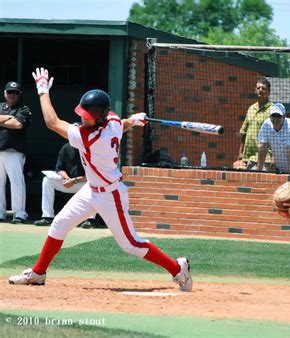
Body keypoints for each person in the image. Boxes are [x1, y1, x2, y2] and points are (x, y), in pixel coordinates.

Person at [8, 67, 192, 293]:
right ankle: (38, 273)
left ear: (97, 118)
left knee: (131, 244)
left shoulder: (89, 138)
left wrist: (42, 89)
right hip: (90, 190)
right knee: (59, 224)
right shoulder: (111, 122)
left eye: (85, 116)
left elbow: (51, 122)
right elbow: (120, 123)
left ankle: (177, 268)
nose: (81, 117)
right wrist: (133, 120)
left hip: (110, 195)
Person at [34, 142, 97, 228]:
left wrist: (74, 181)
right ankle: (47, 216)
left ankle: (90, 220)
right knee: (47, 180)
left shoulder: (90, 149)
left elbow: (93, 174)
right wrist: (66, 178)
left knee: (94, 183)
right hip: (68, 182)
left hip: (82, 184)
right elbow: (59, 168)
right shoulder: (66, 147)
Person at [0, 81, 31, 224]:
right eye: (10, 92)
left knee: (16, 183)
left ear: (19, 95)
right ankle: (1, 213)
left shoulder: (23, 109)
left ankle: (20, 213)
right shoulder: (0, 106)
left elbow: (18, 124)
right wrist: (9, 117)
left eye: (15, 93)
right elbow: (12, 121)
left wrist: (6, 119)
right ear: (5, 93)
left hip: (14, 151)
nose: (12, 95)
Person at [257, 103, 290, 173]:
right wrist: (259, 170)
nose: (275, 119)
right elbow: (262, 147)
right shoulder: (266, 125)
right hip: (282, 168)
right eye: (273, 116)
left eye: (278, 116)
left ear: (284, 116)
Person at [237, 77, 272, 170]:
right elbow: (243, 133)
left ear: (268, 92)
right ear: (255, 90)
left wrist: (274, 158)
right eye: (258, 88)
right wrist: (240, 156)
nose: (260, 90)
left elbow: (276, 135)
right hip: (248, 158)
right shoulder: (251, 108)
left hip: (265, 158)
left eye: (263, 88)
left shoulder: (272, 110)